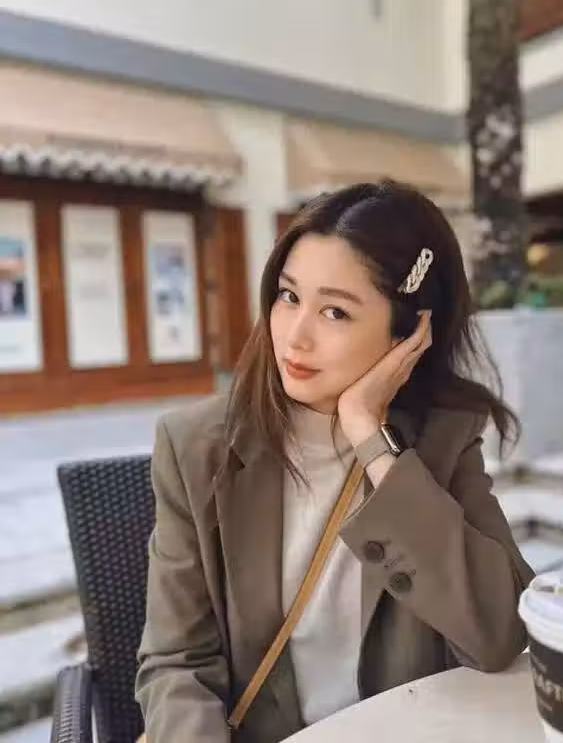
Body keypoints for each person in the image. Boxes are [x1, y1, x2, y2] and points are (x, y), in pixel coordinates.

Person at [135, 180, 534, 743]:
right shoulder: (196, 446)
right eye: (288, 296)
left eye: (336, 312)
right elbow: (177, 664)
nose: (295, 336)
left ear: (410, 333)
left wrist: (372, 438)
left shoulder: (444, 437)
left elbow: (499, 635)